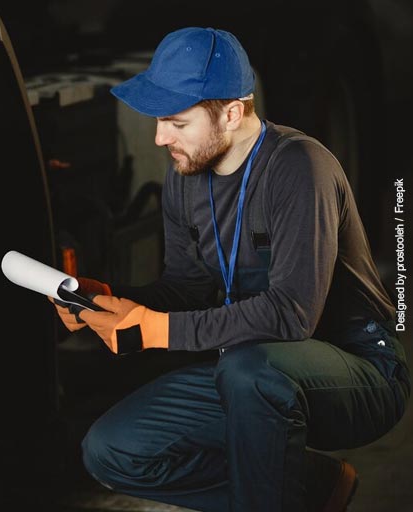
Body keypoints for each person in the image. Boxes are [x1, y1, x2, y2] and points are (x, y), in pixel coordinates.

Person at [51, 27, 410, 512]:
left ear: (233, 112)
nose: (160, 138)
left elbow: (292, 315)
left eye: (177, 123)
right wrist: (112, 298)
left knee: (247, 370)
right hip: (253, 372)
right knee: (112, 449)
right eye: (160, 121)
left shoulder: (301, 168)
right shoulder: (184, 176)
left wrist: (158, 330)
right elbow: (189, 286)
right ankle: (307, 485)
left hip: (360, 370)